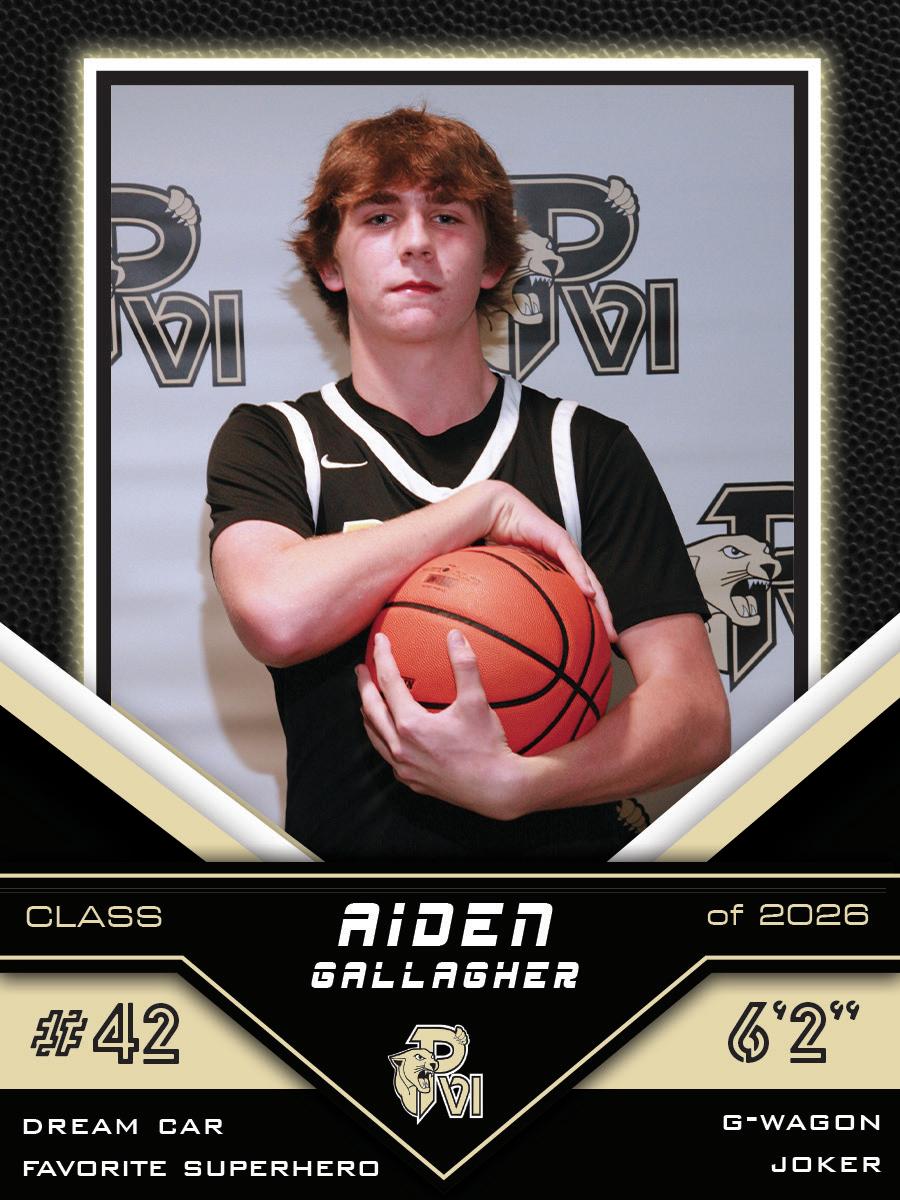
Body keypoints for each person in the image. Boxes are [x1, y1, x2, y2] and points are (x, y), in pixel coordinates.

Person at [206, 106, 730, 860]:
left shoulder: (583, 448)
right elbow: (276, 616)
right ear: (329, 265)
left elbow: (696, 714)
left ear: (490, 263)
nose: (416, 242)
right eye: (379, 217)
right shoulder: (275, 441)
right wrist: (481, 508)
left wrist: (523, 784)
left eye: (447, 217)